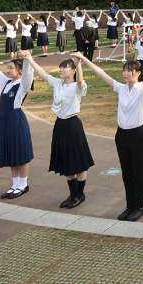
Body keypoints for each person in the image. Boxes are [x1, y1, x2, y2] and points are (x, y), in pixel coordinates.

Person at [76, 55, 143, 222]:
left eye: (130, 71)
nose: (125, 73)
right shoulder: (121, 88)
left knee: (138, 172)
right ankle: (130, 205)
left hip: (138, 135)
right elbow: (101, 73)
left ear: (138, 73)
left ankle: (139, 206)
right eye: (124, 70)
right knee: (126, 172)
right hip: (121, 135)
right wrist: (84, 60)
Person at [25, 53, 95, 209]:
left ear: (73, 70)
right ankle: (73, 195)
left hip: (73, 125)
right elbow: (42, 73)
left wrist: (79, 63)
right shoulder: (58, 83)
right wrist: (30, 59)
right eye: (61, 68)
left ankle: (79, 195)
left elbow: (80, 81)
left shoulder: (78, 86)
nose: (61, 70)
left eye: (65, 68)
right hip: (60, 125)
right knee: (66, 162)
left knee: (79, 163)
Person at [0, 45, 34, 199]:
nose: (7, 70)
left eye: (11, 68)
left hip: (16, 121)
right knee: (11, 153)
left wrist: (28, 59)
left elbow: (28, 76)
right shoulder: (5, 82)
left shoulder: (22, 85)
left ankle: (23, 184)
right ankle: (15, 184)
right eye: (7, 67)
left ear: (20, 71)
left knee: (20, 153)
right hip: (4, 121)